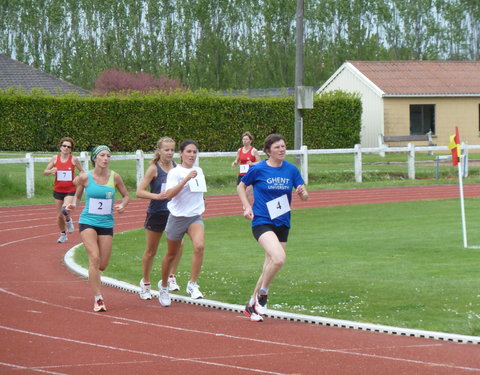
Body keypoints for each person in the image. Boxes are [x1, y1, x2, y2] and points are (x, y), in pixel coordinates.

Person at [237, 134, 308, 322]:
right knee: (279, 259)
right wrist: (247, 206)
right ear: (268, 151)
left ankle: (251, 305)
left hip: (283, 222)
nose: (282, 150)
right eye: (277, 147)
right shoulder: (259, 169)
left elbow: (305, 195)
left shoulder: (291, 170)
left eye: (283, 146)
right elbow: (241, 187)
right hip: (262, 220)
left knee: (270, 264)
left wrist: (302, 193)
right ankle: (263, 294)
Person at [66, 145, 129, 312]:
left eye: (108, 155)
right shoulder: (86, 177)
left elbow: (126, 195)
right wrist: (73, 205)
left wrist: (122, 205)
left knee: (102, 264)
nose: (106, 158)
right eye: (102, 155)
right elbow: (77, 196)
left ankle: (95, 275)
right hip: (88, 222)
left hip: (107, 224)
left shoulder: (115, 177)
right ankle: (98, 299)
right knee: (94, 258)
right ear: (95, 158)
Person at [157, 140, 206, 307]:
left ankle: (192, 284)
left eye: (194, 152)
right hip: (177, 218)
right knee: (171, 255)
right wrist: (185, 179)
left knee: (199, 246)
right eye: (189, 152)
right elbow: (169, 194)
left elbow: (200, 192)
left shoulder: (199, 170)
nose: (192, 155)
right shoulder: (175, 172)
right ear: (181, 154)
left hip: (194, 217)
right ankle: (164, 286)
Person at [136, 137, 183, 300]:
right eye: (166, 150)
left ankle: (171, 277)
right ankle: (146, 283)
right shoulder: (153, 169)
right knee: (151, 251)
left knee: (179, 245)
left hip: (173, 213)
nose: (170, 153)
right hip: (157, 213)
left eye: (172, 150)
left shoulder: (177, 168)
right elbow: (139, 191)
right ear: (159, 151)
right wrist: (157, 196)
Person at [43, 137, 84, 243]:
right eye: (64, 146)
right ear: (60, 147)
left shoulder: (74, 160)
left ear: (71, 149)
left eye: (68, 147)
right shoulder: (55, 159)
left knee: (64, 209)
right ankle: (63, 234)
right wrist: (51, 170)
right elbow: (45, 172)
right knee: (59, 216)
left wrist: (78, 177)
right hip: (58, 190)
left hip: (70, 190)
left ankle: (69, 220)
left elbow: (83, 172)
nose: (66, 148)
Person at [232, 132, 261, 203]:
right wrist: (235, 162)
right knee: (240, 190)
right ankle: (246, 206)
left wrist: (252, 163)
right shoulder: (240, 150)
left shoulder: (253, 150)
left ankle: (249, 208)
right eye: (243, 139)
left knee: (248, 192)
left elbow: (259, 162)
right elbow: (237, 159)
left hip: (250, 173)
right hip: (241, 174)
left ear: (250, 141)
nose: (244, 141)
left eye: (246, 139)